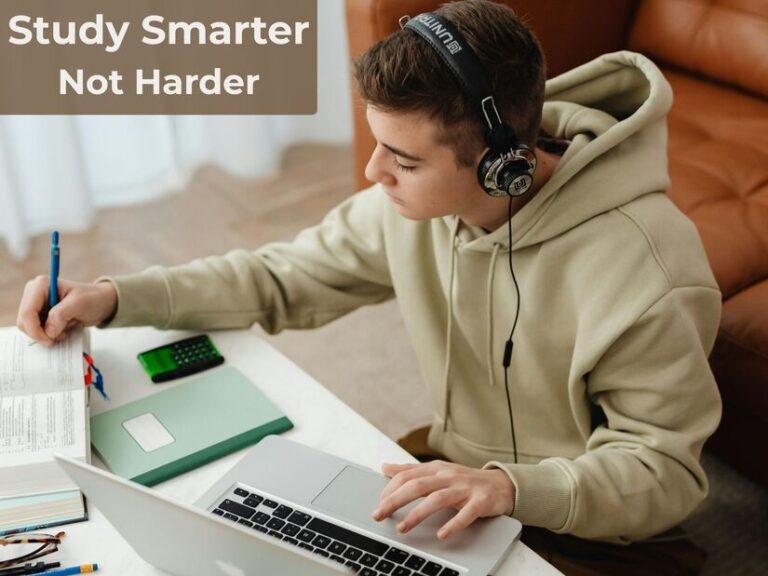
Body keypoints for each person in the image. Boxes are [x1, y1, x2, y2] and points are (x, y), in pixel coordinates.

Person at [17, 1, 721, 574]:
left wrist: (511, 488)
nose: (372, 174)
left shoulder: (647, 271)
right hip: (449, 486)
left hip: (594, 537)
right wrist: (114, 297)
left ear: (500, 164)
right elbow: (280, 276)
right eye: (376, 142)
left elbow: (664, 474)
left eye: (405, 161)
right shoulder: (408, 210)